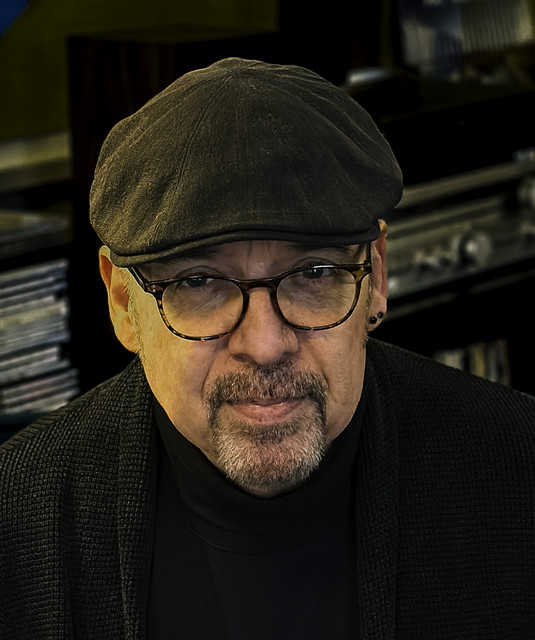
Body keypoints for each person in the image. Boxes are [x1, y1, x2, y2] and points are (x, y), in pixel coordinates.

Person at [1, 57, 534, 640]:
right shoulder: (18, 518)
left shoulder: (519, 471)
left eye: (313, 273)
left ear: (376, 276)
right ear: (123, 303)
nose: (264, 345)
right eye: (199, 282)